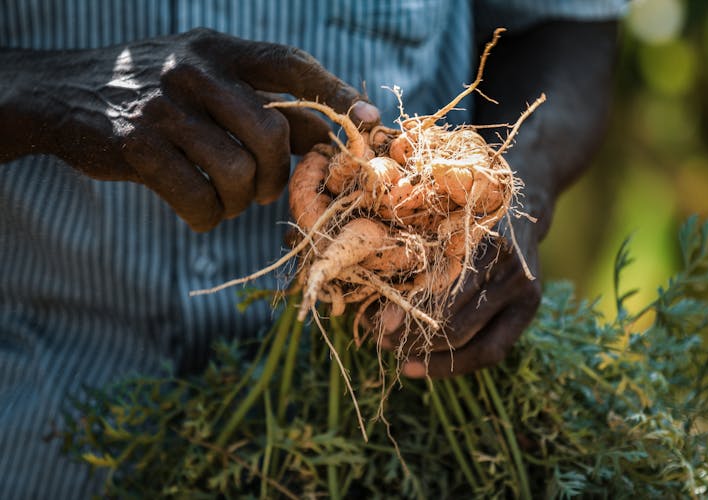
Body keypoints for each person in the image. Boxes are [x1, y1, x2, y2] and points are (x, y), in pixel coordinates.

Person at [0, 1, 624, 496]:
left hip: (392, 410)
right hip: (38, 421)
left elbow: (568, 24)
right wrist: (43, 93)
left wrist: (505, 187)